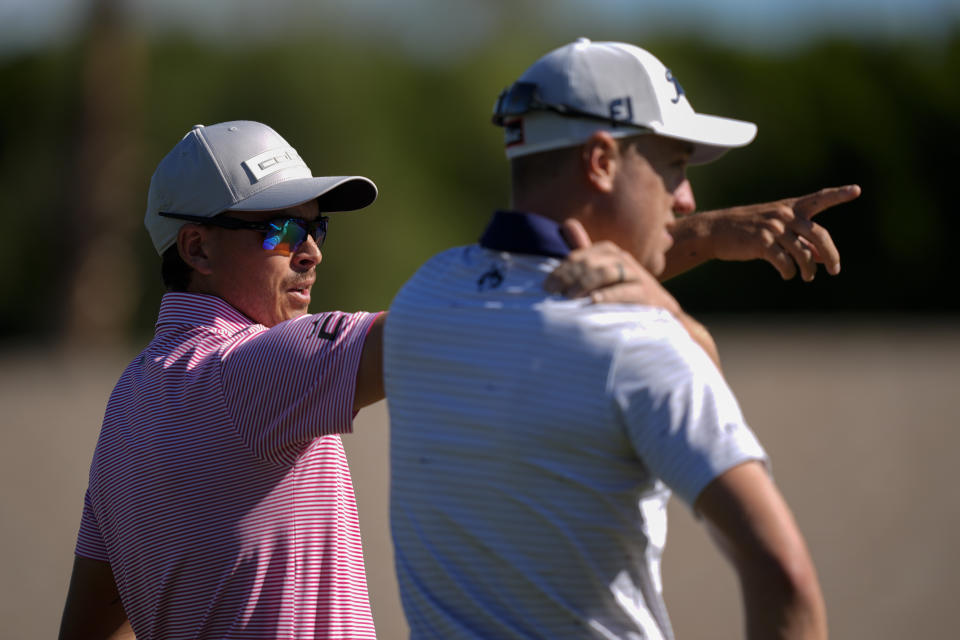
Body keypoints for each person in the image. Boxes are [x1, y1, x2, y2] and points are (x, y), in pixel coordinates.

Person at [56, 119, 684, 640]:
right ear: (196, 249)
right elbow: (485, 312)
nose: (312, 251)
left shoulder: (128, 402)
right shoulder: (252, 366)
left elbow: (91, 625)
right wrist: (688, 238)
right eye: (281, 228)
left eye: (316, 225)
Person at [385, 38, 854, 639]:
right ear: (601, 160)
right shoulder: (640, 340)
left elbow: (544, 279)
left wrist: (697, 245)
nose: (686, 198)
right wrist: (672, 316)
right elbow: (783, 574)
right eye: (676, 165)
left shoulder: (422, 298)